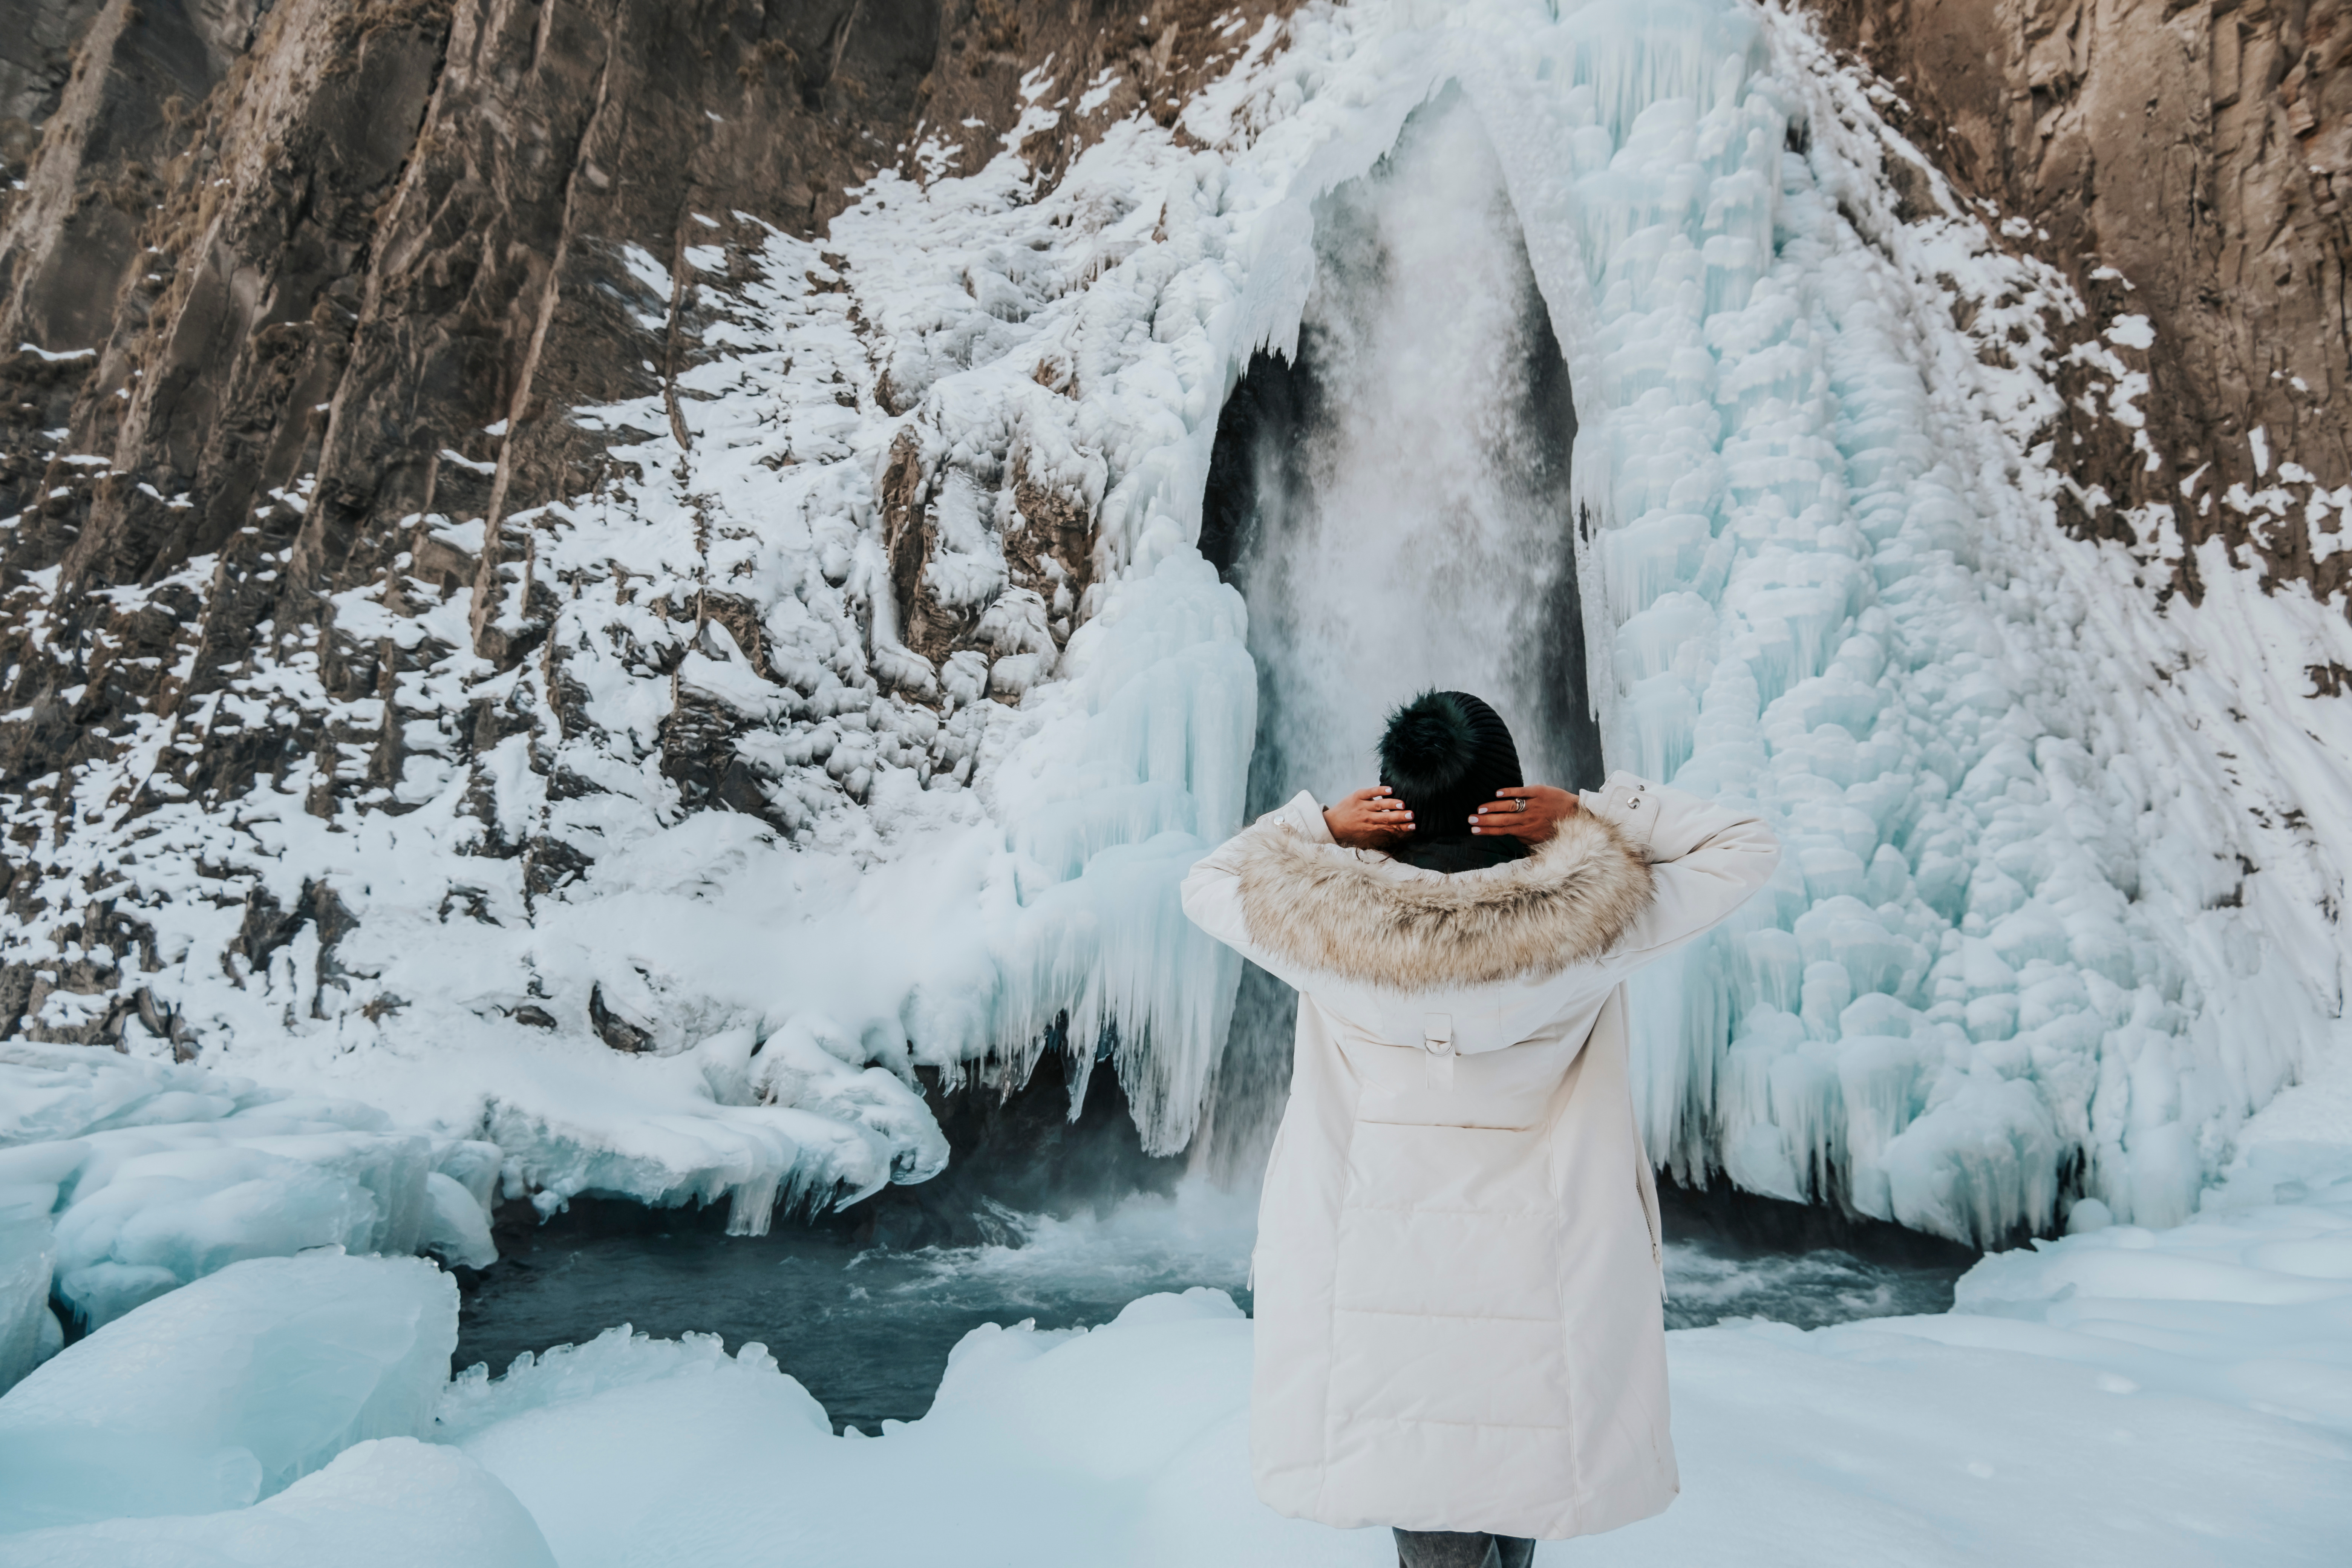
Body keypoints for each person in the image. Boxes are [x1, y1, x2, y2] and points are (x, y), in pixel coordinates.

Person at [1180, 691, 1778, 1567]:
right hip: (1541, 1289)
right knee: (1521, 1479)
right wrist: (1591, 812)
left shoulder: (1311, 926)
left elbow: (1207, 883)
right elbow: (1745, 845)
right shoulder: (1597, 924)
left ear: (1391, 804)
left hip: (1380, 1301)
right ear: (1511, 798)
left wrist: (1321, 827)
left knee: (1425, 1515)